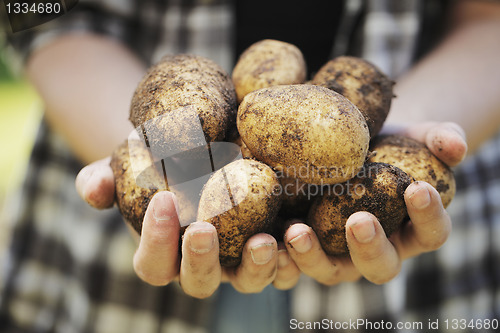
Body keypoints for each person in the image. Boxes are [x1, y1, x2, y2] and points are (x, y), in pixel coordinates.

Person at [0, 0, 497, 332]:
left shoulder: (333, 131)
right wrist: (158, 158)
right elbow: (37, 13)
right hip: (113, 285)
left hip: (421, 294)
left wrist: (396, 136)